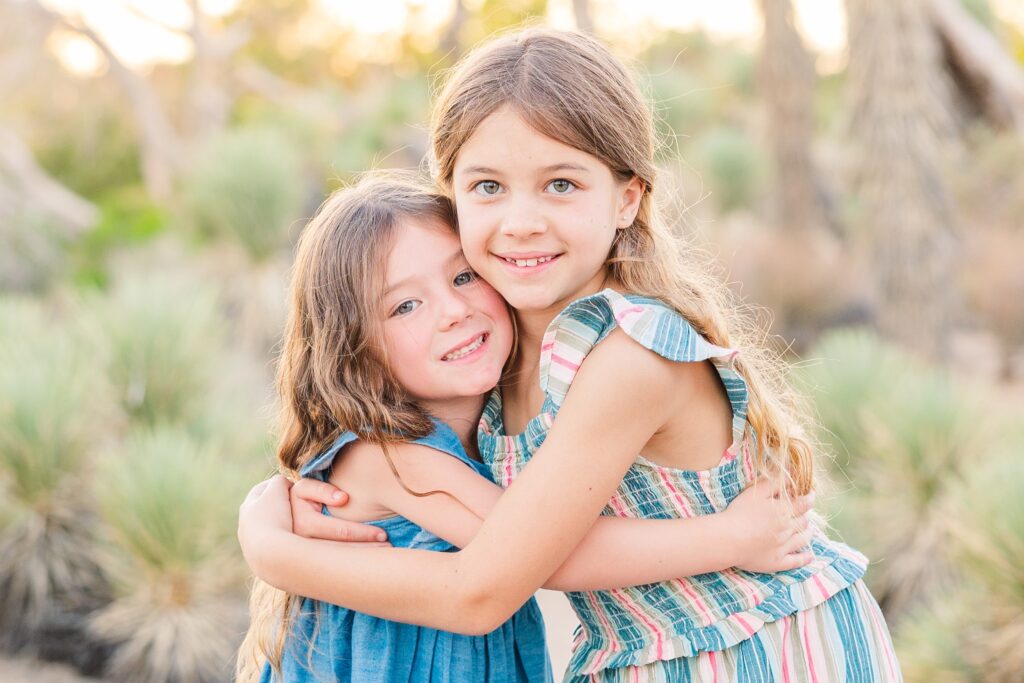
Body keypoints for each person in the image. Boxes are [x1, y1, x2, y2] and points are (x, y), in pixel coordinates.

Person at [239, 29, 901, 681]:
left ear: (627, 197)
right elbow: (514, 535)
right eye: (489, 187)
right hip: (642, 657)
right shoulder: (491, 353)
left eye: (560, 184)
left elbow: (496, 576)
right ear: (453, 197)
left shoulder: (628, 355)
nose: (522, 219)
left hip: (760, 647)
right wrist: (277, 499)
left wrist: (271, 550)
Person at [236, 172, 815, 682]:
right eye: (404, 307)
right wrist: (733, 538)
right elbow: (550, 557)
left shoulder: (503, 419)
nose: (453, 310)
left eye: (463, 277)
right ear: (354, 353)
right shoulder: (390, 456)